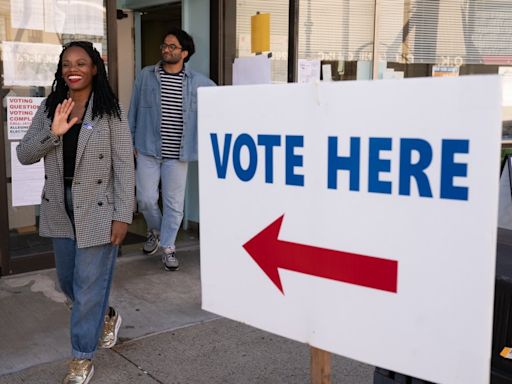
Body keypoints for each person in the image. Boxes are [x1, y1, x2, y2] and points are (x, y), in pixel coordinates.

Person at [17, 41, 134, 384]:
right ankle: (107, 315)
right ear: (61, 69)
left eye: (82, 63)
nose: (74, 68)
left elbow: (124, 167)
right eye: (68, 63)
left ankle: (81, 358)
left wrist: (123, 214)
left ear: (94, 68)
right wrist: (53, 135)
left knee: (87, 288)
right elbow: (25, 154)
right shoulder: (51, 106)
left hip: (98, 206)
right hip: (59, 205)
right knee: (69, 284)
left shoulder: (110, 111)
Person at [128, 27, 215, 271]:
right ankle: (156, 230)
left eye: (172, 46)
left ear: (185, 53)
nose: (166, 50)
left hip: (178, 153)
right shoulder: (146, 76)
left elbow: (219, 106)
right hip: (147, 149)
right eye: (164, 45)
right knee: (145, 199)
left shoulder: (200, 83)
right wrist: (131, 141)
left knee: (174, 204)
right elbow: (133, 110)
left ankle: (168, 246)